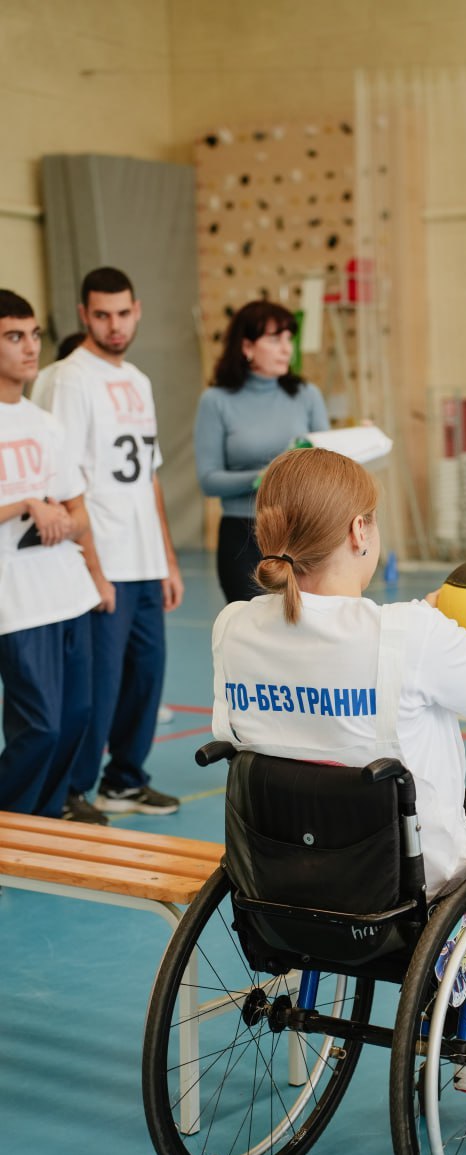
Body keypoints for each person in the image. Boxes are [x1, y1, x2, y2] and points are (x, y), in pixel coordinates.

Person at [211, 447, 466, 1098]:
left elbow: (336, 646)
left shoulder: (234, 626)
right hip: (404, 902)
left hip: (279, 890)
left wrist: (423, 613)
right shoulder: (406, 636)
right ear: (358, 531)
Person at [32, 266, 184, 820]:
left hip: (143, 560)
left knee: (146, 677)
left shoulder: (139, 381)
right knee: (95, 688)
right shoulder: (69, 379)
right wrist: (89, 568)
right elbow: (62, 482)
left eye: (123, 314)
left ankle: (125, 780)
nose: (114, 325)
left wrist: (167, 558)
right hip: (101, 559)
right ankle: (73, 789)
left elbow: (150, 476)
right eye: (102, 315)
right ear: (83, 315)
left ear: (137, 310)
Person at [0, 290, 100, 819]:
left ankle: (42, 822)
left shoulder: (45, 424)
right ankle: (10, 825)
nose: (29, 347)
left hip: (67, 591)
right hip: (16, 601)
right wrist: (27, 503)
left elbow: (80, 512)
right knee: (38, 725)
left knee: (77, 716)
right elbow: (38, 503)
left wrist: (64, 518)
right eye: (14, 336)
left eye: (34, 334)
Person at [194, 300, 330, 603]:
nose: (286, 349)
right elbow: (208, 479)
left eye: (288, 340)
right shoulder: (215, 401)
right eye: (274, 339)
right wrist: (264, 476)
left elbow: (327, 465)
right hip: (242, 535)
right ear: (247, 347)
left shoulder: (307, 395)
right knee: (253, 635)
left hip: (302, 533)